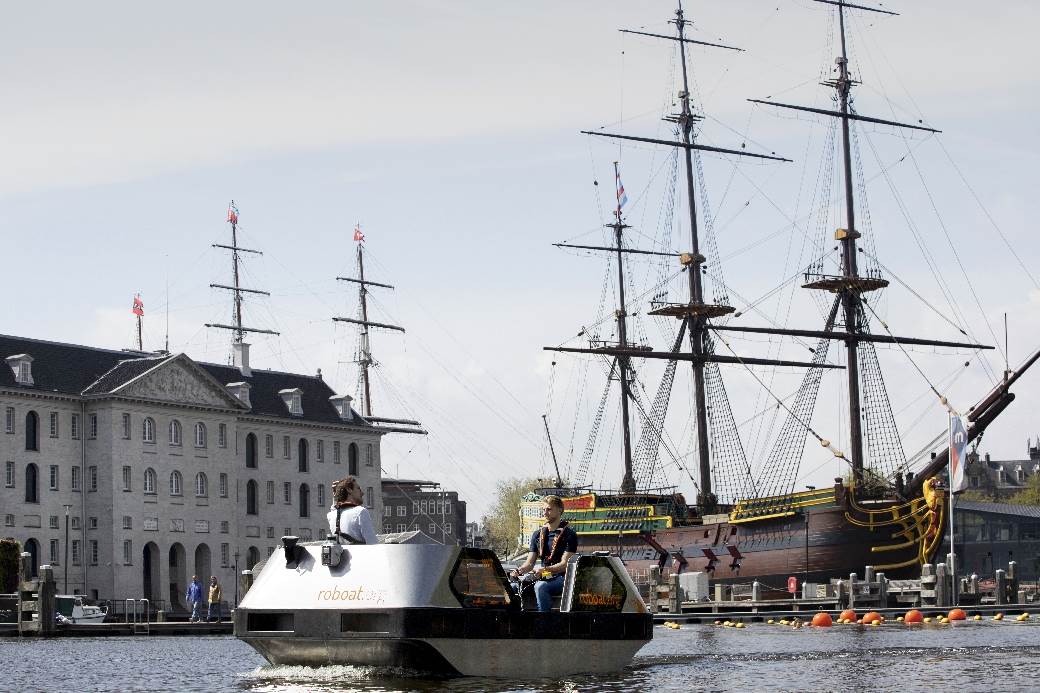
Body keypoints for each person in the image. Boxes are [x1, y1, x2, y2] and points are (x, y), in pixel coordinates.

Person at [510, 495, 578, 612]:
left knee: (541, 587)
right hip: (544, 575)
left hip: (563, 578)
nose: (545, 513)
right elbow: (530, 563)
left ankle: (544, 624)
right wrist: (519, 571)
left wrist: (544, 570)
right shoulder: (537, 534)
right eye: (543, 509)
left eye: (549, 509)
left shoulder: (569, 535)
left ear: (559, 510)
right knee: (512, 587)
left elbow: (564, 564)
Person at [326, 476, 378, 545]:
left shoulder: (331, 516)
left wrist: (336, 495)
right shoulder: (361, 512)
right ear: (349, 490)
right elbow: (373, 544)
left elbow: (335, 508)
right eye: (358, 488)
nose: (362, 493)